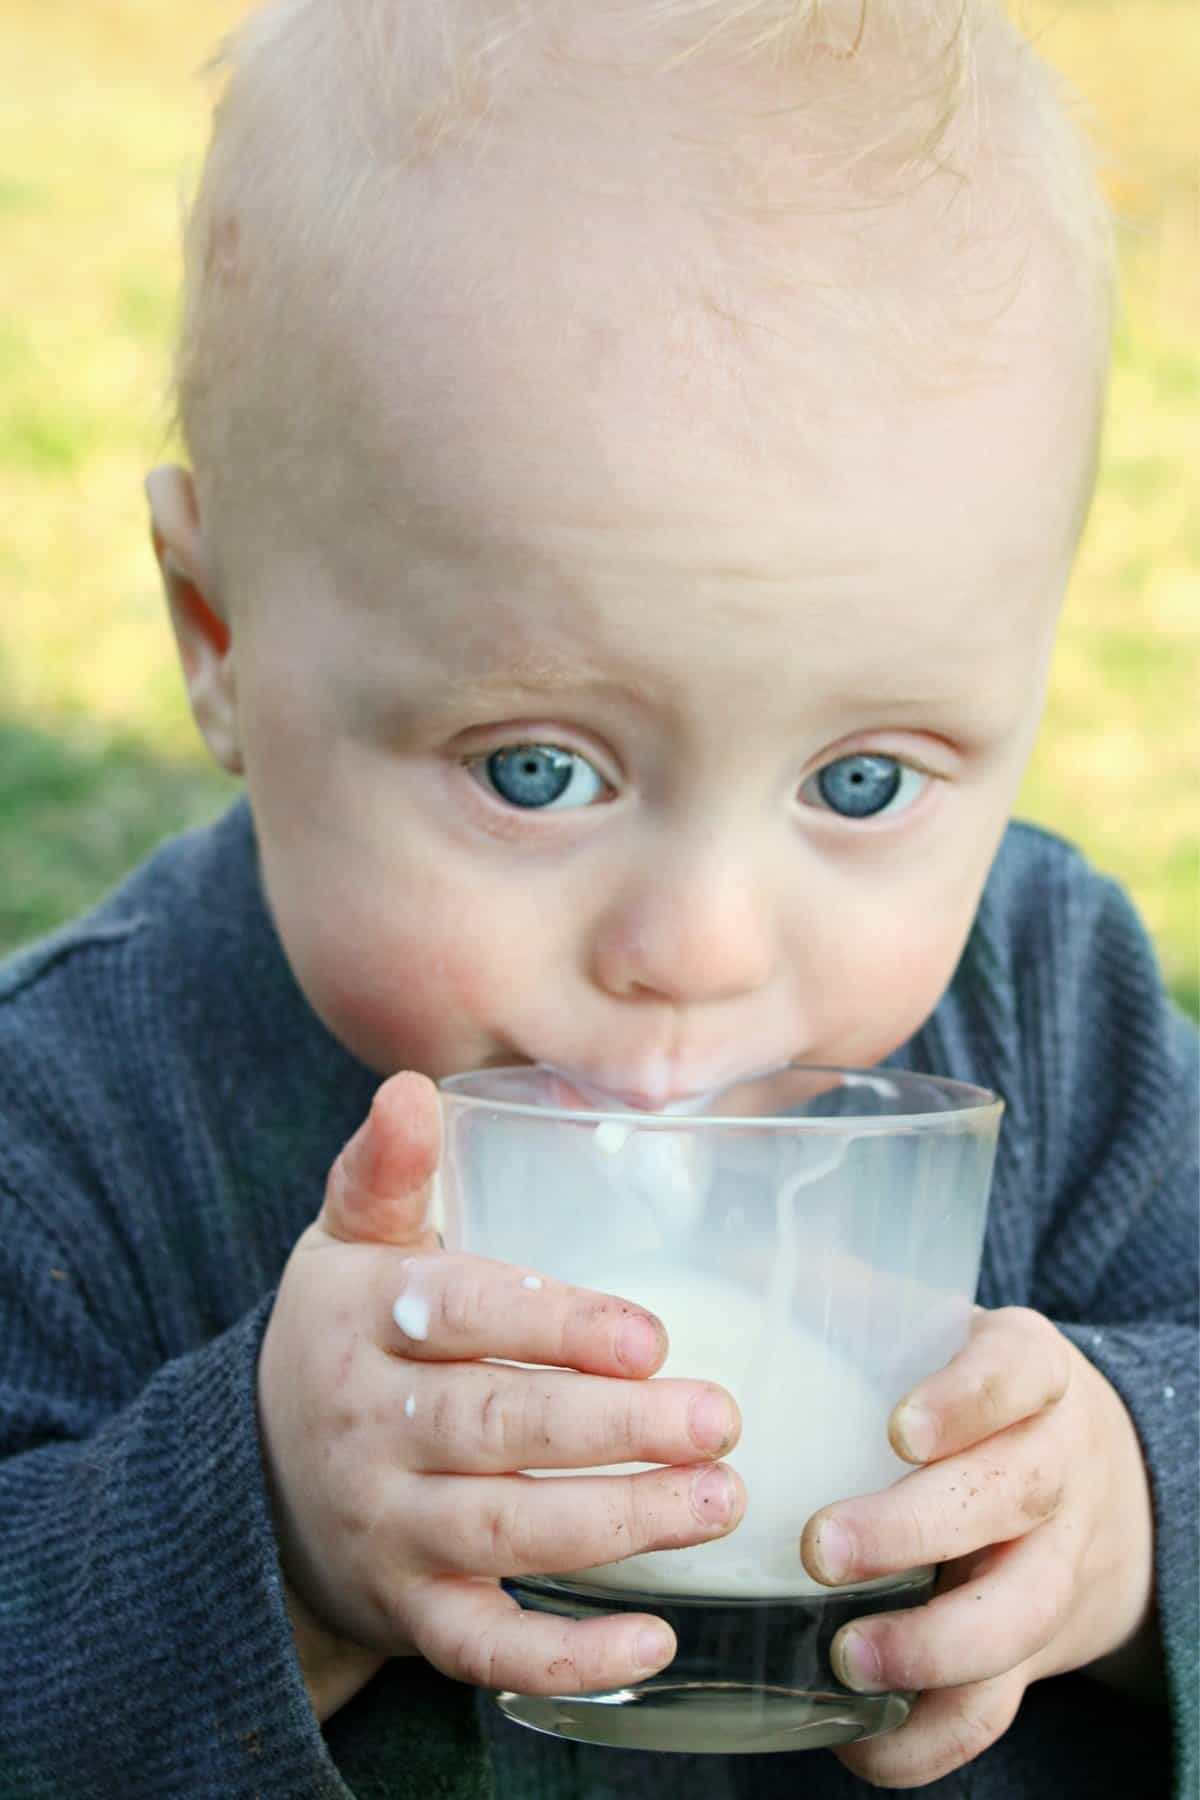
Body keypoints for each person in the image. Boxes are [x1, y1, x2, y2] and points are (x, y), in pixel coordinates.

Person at [0, 1, 1194, 1795]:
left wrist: (1132, 1498)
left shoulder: (1056, 1011)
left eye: (859, 782)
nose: (698, 951)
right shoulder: (71, 1126)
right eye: (536, 770)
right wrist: (263, 1532)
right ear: (221, 638)